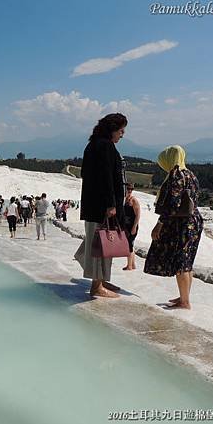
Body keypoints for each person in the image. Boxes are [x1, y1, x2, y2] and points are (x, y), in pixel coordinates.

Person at [144, 146, 204, 310]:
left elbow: (172, 203)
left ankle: (185, 302)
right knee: (187, 261)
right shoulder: (190, 174)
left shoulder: (176, 175)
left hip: (181, 224)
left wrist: (159, 224)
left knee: (181, 261)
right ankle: (184, 297)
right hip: (194, 221)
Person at [79, 113, 128, 298]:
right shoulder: (105, 146)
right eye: (121, 130)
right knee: (102, 244)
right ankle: (96, 286)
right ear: (112, 129)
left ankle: (101, 279)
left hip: (94, 206)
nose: (122, 134)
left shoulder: (94, 144)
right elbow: (106, 177)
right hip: (102, 208)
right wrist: (110, 204)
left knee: (99, 242)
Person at [122, 183, 141, 270]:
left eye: (131, 189)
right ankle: (132, 265)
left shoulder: (134, 200)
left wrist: (134, 227)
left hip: (132, 226)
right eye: (128, 189)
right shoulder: (125, 200)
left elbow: (137, 215)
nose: (129, 191)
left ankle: (129, 266)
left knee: (129, 245)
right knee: (130, 245)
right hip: (126, 225)